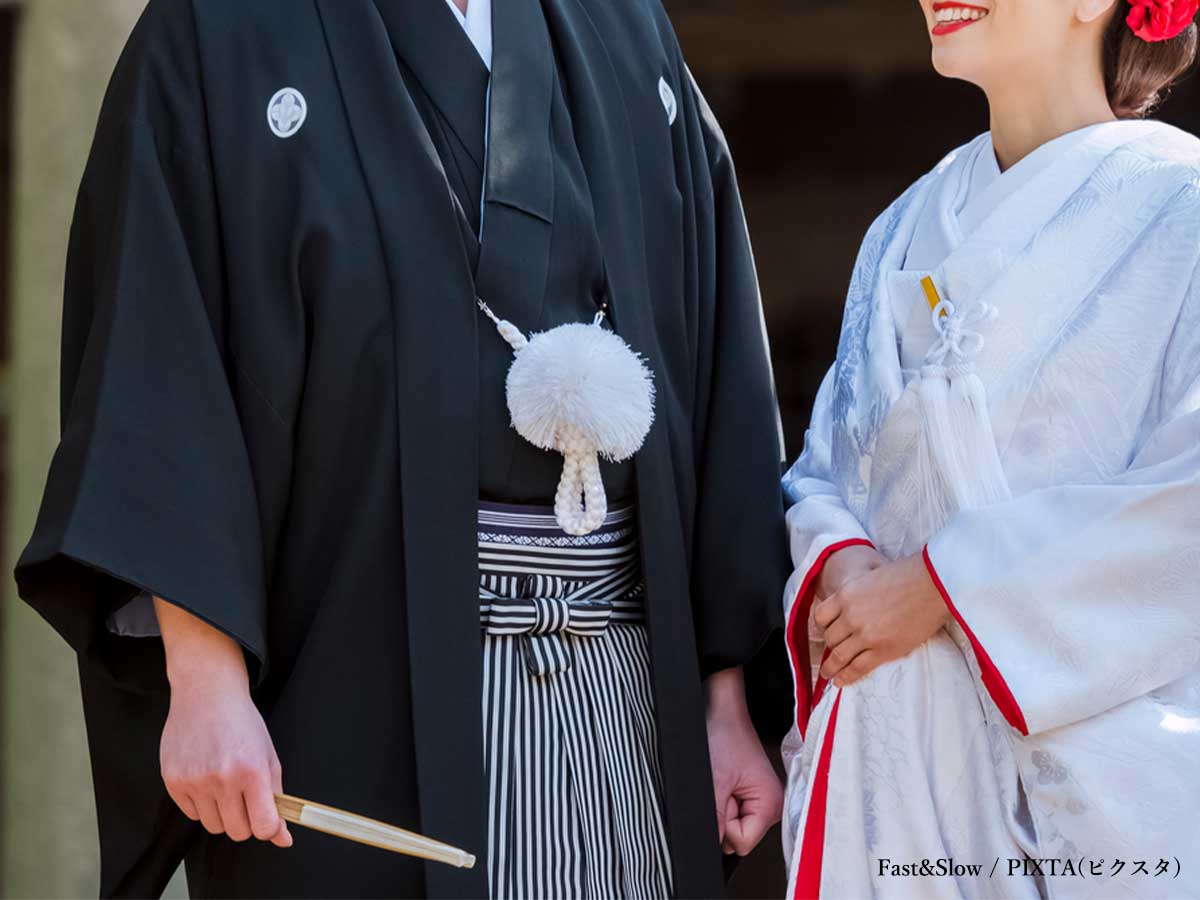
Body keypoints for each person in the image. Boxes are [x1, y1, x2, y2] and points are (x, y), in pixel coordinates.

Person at [14, 0, 791, 896]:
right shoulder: (221, 29)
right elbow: (160, 355)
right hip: (356, 678)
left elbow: (712, 363)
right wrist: (203, 678)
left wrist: (723, 697)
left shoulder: (624, 25)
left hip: (621, 698)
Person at [780, 0, 1200, 897]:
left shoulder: (1183, 208)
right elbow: (826, 464)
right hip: (905, 770)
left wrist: (942, 587)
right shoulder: (901, 226)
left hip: (1085, 787)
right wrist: (842, 561)